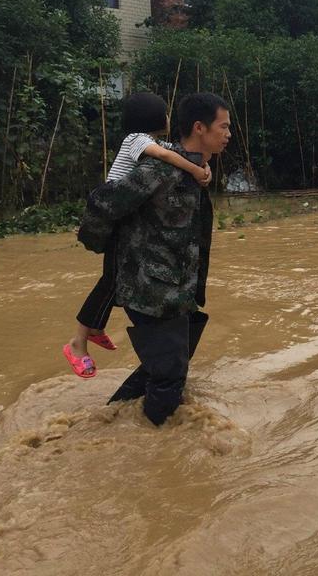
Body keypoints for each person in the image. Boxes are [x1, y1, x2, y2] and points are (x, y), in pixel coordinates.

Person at [78, 92, 230, 425]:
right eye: (224, 126)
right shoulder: (159, 169)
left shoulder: (195, 170)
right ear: (199, 128)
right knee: (170, 376)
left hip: (180, 289)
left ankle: (110, 419)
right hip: (150, 289)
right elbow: (103, 204)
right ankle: (151, 443)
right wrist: (110, 255)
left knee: (166, 365)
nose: (228, 134)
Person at [64, 93, 211, 379]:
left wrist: (204, 166)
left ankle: (95, 329)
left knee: (112, 282)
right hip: (117, 221)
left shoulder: (154, 142)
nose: (169, 119)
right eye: (165, 114)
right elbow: (167, 156)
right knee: (109, 283)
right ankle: (78, 343)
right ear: (153, 118)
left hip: (127, 222)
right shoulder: (137, 140)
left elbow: (180, 151)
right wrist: (195, 169)